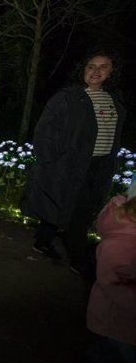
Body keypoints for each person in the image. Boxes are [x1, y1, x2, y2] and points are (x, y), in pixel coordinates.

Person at [21, 51, 126, 274]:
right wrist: (51, 159)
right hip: (70, 166)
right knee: (78, 211)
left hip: (99, 166)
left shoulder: (114, 101)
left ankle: (42, 240)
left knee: (69, 205)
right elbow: (45, 130)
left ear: (111, 72)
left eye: (103, 67)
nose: (96, 71)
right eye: (91, 66)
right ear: (83, 70)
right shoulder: (69, 97)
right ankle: (78, 258)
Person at [69, 182, 136, 363]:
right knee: (124, 355)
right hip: (119, 313)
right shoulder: (124, 238)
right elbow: (115, 281)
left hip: (124, 321)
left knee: (110, 347)